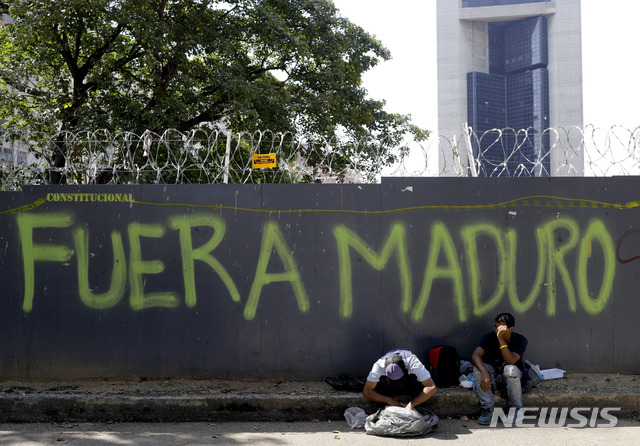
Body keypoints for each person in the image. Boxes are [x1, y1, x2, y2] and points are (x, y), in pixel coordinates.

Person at [471, 312, 528, 425]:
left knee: (510, 369)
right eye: (496, 326)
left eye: (501, 327)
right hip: (494, 375)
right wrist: (485, 373)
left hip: (511, 377)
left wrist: (501, 340)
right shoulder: (490, 337)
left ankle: (515, 409)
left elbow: (510, 360)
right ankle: (487, 409)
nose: (497, 330)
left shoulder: (520, 340)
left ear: (511, 329)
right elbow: (475, 355)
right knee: (478, 369)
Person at [363, 349, 437, 410]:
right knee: (378, 383)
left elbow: (431, 387)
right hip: (389, 388)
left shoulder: (413, 363)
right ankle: (385, 406)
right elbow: (367, 391)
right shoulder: (379, 366)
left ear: (405, 367)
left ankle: (417, 406)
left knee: (418, 380)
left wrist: (412, 404)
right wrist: (388, 400)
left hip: (408, 383)